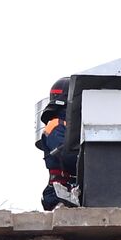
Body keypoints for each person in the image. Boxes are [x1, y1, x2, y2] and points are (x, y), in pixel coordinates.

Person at [36, 77, 79, 210]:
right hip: (60, 194)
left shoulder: (69, 126)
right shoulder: (55, 125)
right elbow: (66, 155)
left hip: (70, 192)